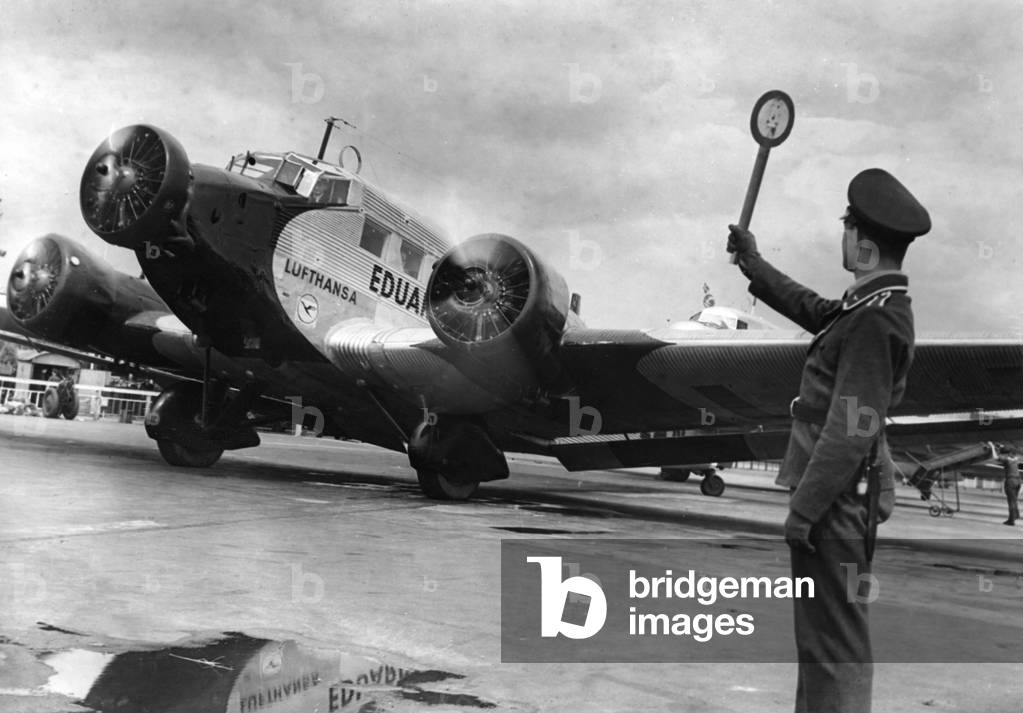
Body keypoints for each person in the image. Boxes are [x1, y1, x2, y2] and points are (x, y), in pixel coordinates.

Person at [727, 167, 931, 713]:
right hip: (840, 496)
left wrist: (805, 509)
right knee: (821, 643)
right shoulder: (866, 307)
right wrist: (752, 260)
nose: (842, 238)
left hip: (836, 500)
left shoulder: (876, 319)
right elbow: (812, 309)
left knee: (834, 644)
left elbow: (850, 427)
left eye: (846, 229)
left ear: (863, 244)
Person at [1001, 447, 1020, 525]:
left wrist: (992, 447)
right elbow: (1011, 455)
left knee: (1011, 501)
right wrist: (1003, 447)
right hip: (1018, 481)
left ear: (1009, 454)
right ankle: (1016, 515)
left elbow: (995, 457)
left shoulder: (1006, 460)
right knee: (1014, 500)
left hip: (1011, 481)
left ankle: (1011, 520)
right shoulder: (1016, 459)